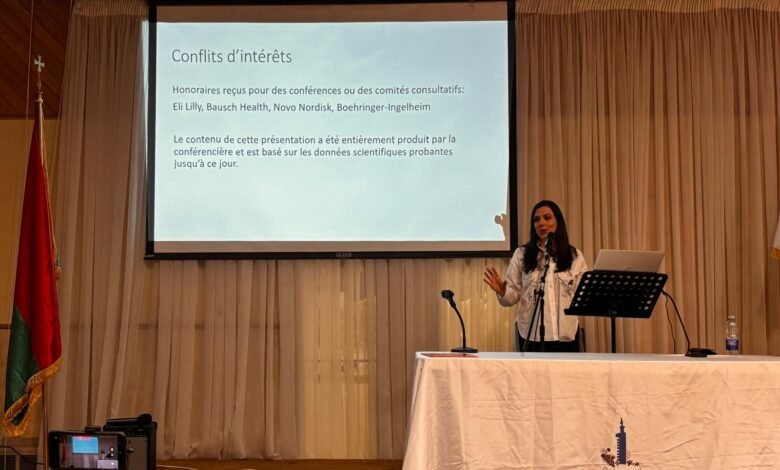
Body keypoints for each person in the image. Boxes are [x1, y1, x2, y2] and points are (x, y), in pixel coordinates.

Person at [483, 200, 588, 352]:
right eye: (536, 220)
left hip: (566, 333)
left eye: (547, 218)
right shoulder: (522, 254)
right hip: (531, 334)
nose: (541, 223)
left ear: (558, 221)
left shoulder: (574, 255)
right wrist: (503, 291)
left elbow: (582, 295)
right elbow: (511, 298)